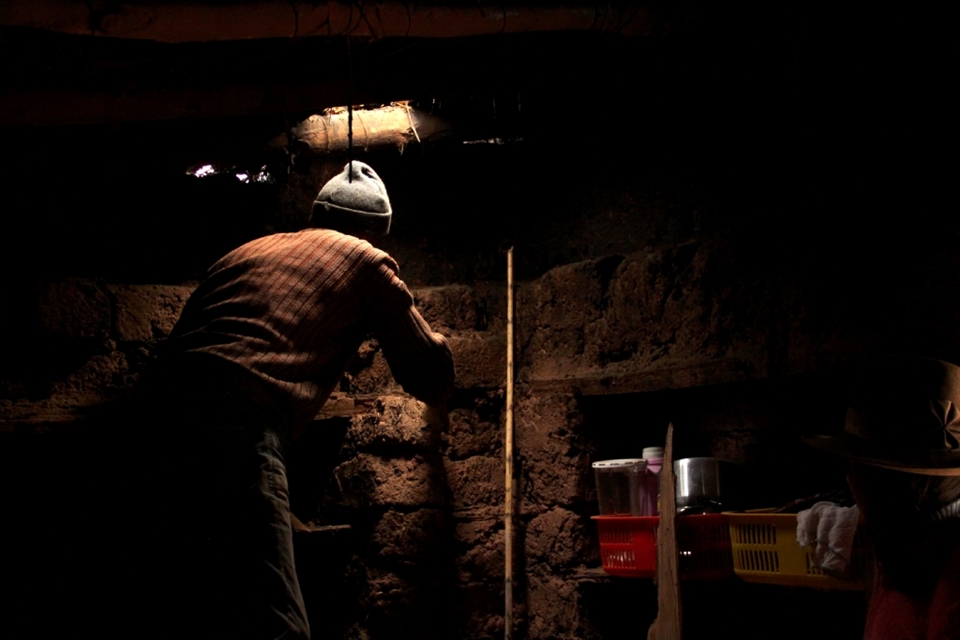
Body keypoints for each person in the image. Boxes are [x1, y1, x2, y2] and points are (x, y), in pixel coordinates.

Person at [136, 161, 455, 639]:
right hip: (237, 427)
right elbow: (426, 374)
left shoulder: (244, 252)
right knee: (275, 617)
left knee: (190, 603)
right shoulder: (367, 260)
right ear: (373, 231)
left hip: (152, 427)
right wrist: (444, 343)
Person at [805, 356, 960, 640]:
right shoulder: (904, 542)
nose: (849, 480)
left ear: (883, 484)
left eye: (855, 466)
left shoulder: (950, 586)